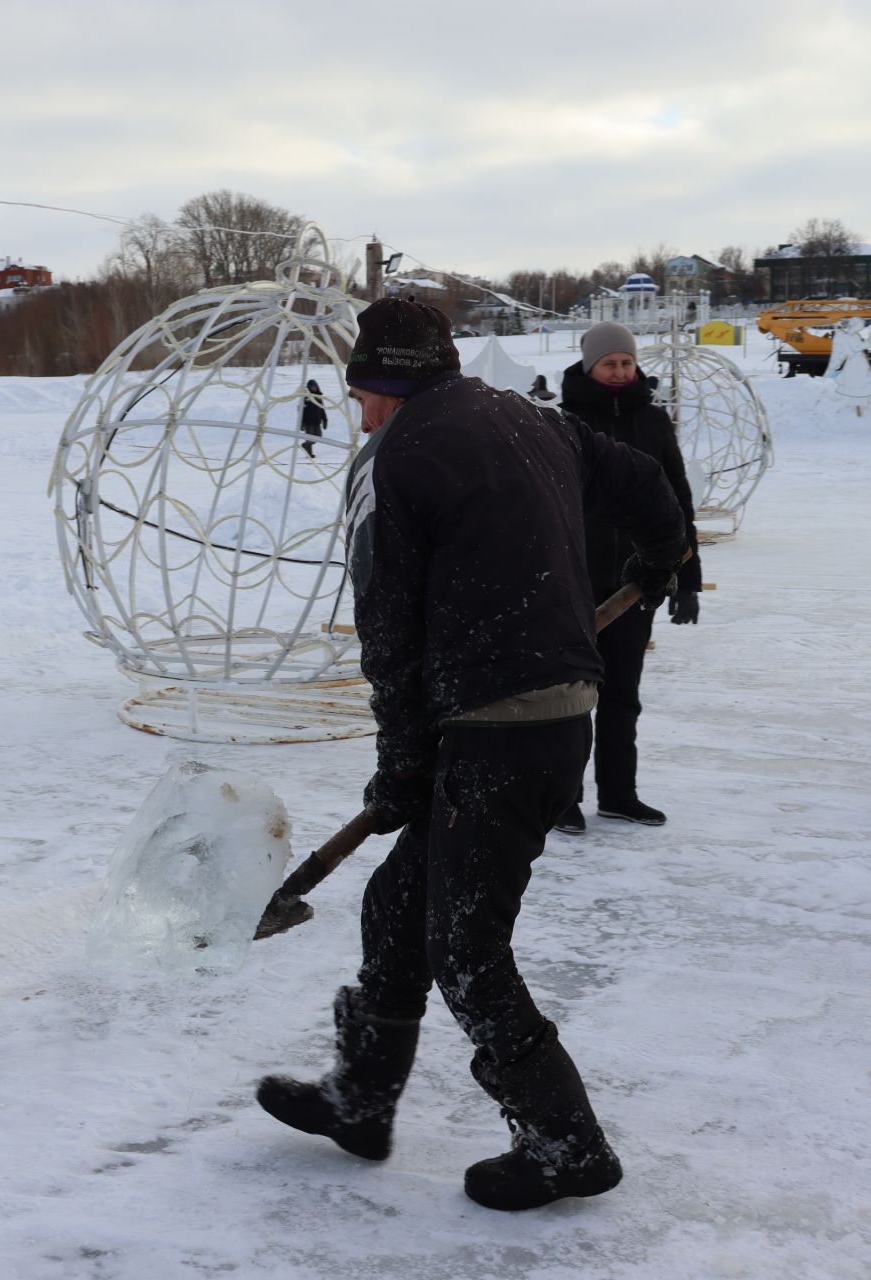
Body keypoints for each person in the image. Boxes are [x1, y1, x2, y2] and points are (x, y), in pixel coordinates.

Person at [255, 299, 689, 1210]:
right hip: (553, 714)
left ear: (378, 385)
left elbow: (388, 631)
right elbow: (648, 481)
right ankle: (362, 1102)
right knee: (401, 899)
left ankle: (566, 1142)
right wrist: (662, 556)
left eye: (363, 395)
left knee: (464, 944)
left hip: (497, 723)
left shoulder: (396, 459)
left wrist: (403, 761)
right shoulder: (538, 420)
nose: (362, 415)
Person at [553, 321, 703, 831]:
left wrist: (688, 577)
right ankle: (562, 799)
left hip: (639, 583)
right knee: (569, 698)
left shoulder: (654, 422)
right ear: (589, 366)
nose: (620, 371)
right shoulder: (563, 420)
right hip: (574, 581)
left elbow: (678, 502)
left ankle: (619, 793)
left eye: (627, 362)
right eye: (609, 363)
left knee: (622, 696)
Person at [299, 378, 328, 458]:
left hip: (317, 421)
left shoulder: (319, 397)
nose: (314, 388)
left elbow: (322, 409)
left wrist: (325, 419)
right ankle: (309, 454)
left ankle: (305, 445)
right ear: (309, 387)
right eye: (312, 386)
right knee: (310, 438)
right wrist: (301, 423)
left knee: (318, 437)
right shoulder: (305, 397)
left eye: (315, 386)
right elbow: (301, 410)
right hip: (308, 422)